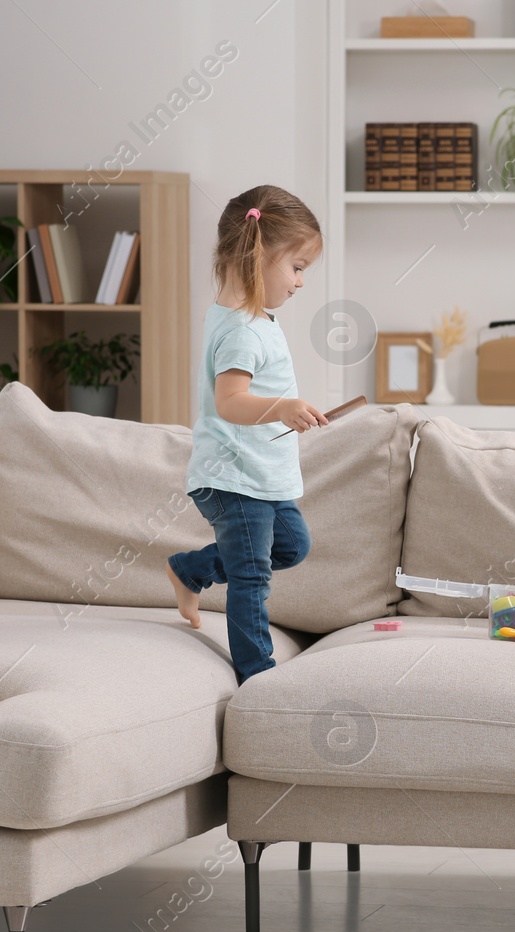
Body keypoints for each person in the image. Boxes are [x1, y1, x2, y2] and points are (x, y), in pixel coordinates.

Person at [167, 185, 330, 685]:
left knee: (291, 547)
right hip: (234, 478)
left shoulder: (253, 320)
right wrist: (282, 408)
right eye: (297, 267)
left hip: (262, 475)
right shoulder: (241, 329)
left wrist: (286, 409)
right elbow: (229, 401)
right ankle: (258, 677)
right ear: (259, 255)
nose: (301, 282)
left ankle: (192, 569)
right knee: (251, 576)